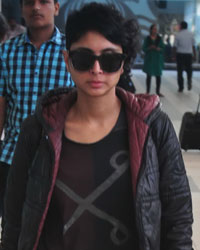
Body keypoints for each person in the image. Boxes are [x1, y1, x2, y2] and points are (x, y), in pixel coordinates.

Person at [1, 2, 193, 250]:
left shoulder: (152, 126)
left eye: (110, 60)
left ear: (123, 63)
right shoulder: (37, 129)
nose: (96, 70)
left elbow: (177, 219)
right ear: (67, 60)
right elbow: (14, 217)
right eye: (83, 58)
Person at [0, 0, 73, 237]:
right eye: (29, 2)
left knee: (56, 233)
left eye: (44, 1)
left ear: (56, 8)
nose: (36, 7)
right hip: (12, 160)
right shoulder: (6, 52)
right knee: (13, 230)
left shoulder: (71, 53)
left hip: (59, 162)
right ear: (21, 9)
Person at [142, 24, 165, 97]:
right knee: (149, 75)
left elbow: (163, 48)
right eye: (154, 29)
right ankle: (147, 91)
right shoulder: (147, 38)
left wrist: (159, 49)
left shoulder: (159, 38)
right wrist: (149, 48)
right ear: (151, 30)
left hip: (157, 59)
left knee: (158, 76)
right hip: (150, 59)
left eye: (156, 29)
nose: (155, 30)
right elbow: (143, 48)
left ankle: (158, 91)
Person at [173, 21, 196, 92]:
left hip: (180, 54)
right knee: (189, 70)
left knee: (180, 72)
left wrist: (173, 56)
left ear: (181, 26)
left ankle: (181, 87)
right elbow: (193, 46)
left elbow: (174, 47)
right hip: (188, 55)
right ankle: (189, 80)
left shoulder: (178, 35)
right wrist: (194, 55)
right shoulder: (191, 34)